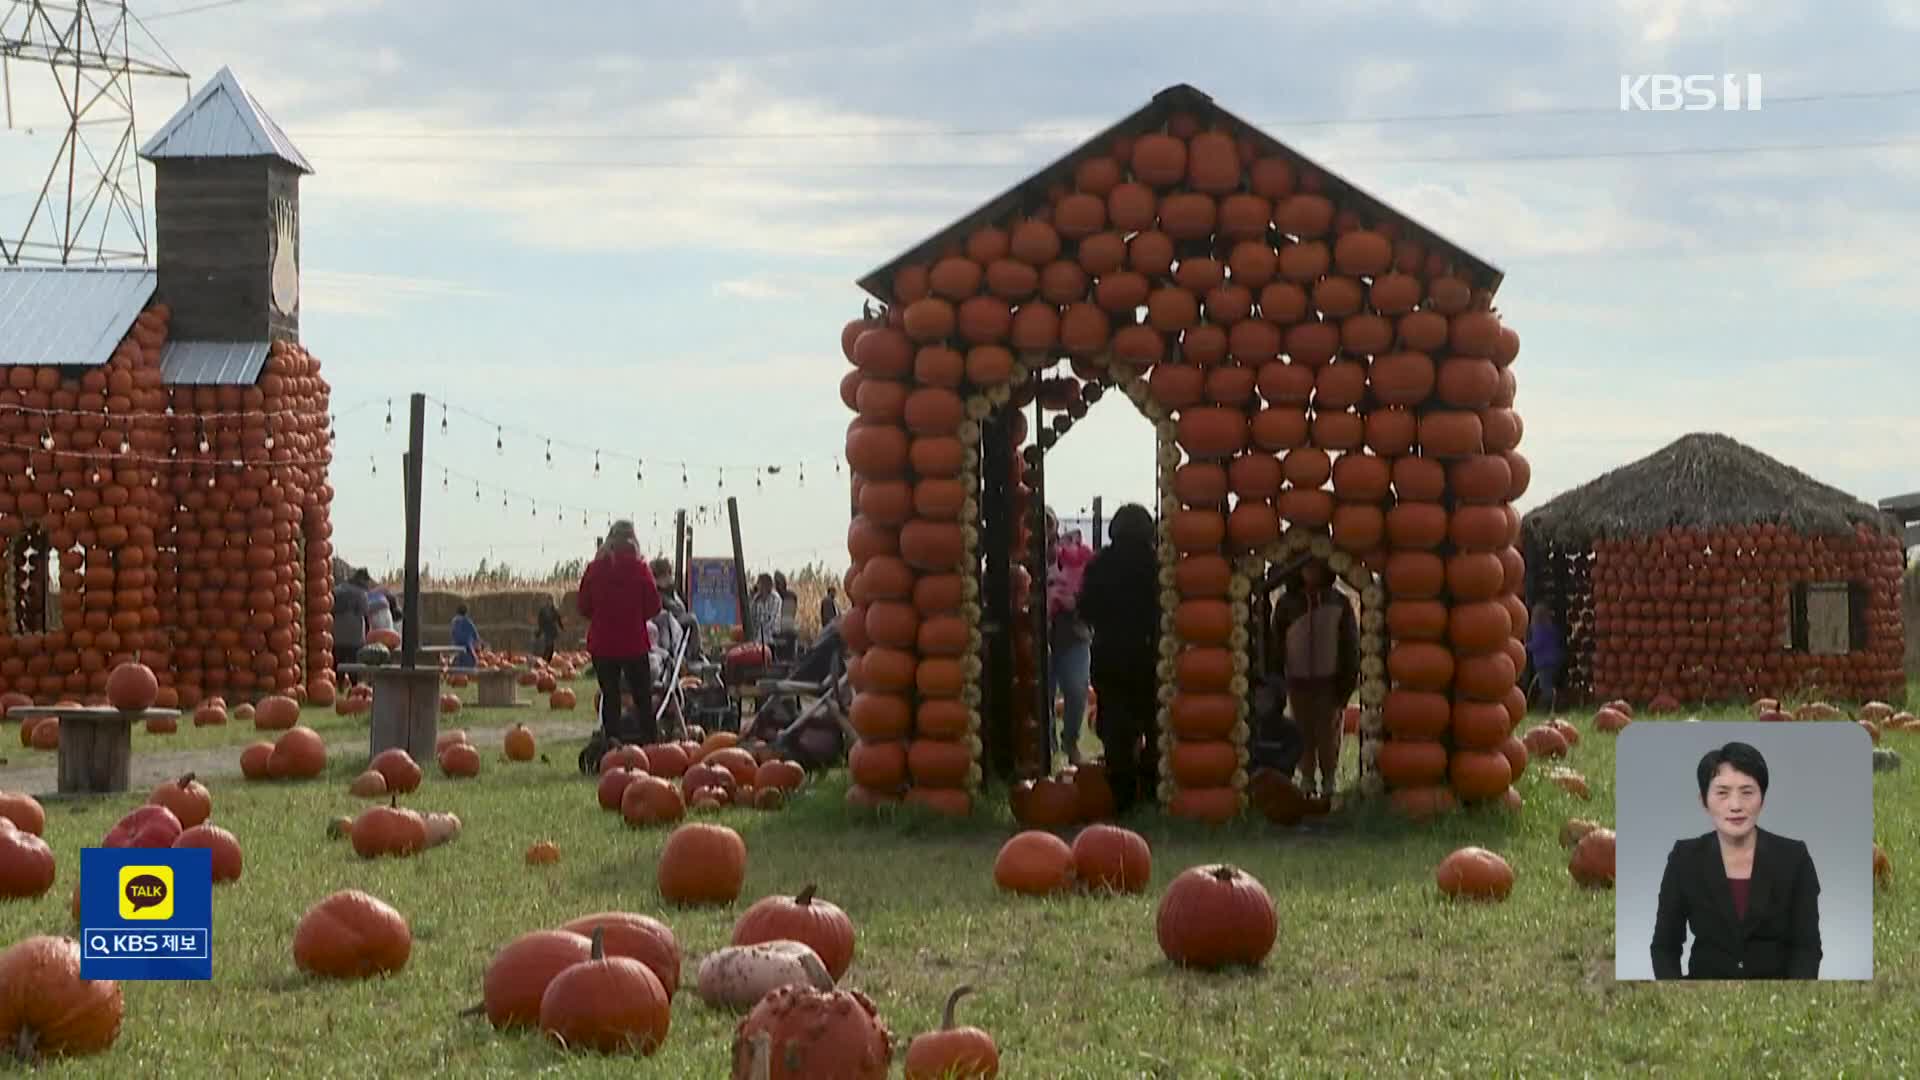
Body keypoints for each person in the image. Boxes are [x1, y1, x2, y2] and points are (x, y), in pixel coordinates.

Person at [1651, 741, 1822, 979]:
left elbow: (1806, 948)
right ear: (1704, 801)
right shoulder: (1684, 858)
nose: (1735, 806)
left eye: (1747, 792)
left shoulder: (1794, 858)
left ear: (1762, 798)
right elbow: (1664, 947)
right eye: (1722, 793)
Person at [1074, 504, 1160, 817]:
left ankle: (1121, 796)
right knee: (1155, 723)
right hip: (1149, 653)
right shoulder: (1156, 565)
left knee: (1115, 728)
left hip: (1109, 653)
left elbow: (1085, 608)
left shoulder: (1101, 565)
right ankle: (1152, 788)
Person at [1270, 557, 1360, 800]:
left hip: (1330, 680)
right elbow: (1276, 645)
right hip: (1297, 680)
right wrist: (1277, 678)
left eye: (1316, 568)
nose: (1311, 572)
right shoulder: (1288, 605)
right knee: (1302, 731)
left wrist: (1347, 681)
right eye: (1306, 568)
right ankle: (1307, 779)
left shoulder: (1338, 602)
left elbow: (1350, 644)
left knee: (1328, 731)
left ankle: (1329, 779)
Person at [577, 520, 664, 757]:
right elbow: (654, 606)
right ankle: (651, 748)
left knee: (610, 696)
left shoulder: (595, 569)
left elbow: (583, 606)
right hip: (633, 641)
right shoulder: (640, 568)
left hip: (602, 643)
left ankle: (612, 746)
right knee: (642, 697)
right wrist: (634, 616)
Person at [1044, 509, 1093, 767]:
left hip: (1074, 634)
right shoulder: (1025, 558)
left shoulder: (1075, 558)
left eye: (1049, 527)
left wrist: (1074, 601)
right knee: (1042, 694)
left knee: (1076, 689)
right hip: (1039, 637)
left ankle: (1070, 740)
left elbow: (1091, 594)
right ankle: (1047, 748)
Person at [331, 569, 371, 684]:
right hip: (354, 636)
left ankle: (339, 687)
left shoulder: (337, 589)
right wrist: (367, 633)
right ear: (363, 580)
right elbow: (365, 614)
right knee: (354, 665)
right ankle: (354, 687)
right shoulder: (361, 593)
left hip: (336, 634)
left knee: (338, 663)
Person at [1526, 600, 1565, 713]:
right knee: (1549, 684)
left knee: (1545, 686)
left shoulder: (1539, 629)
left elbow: (1538, 644)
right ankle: (1555, 704)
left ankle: (1549, 706)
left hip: (1544, 662)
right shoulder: (1552, 628)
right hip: (1554, 660)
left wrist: (1526, 646)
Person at [449, 604, 484, 670]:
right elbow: (475, 633)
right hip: (466, 644)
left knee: (458, 657)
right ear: (466, 612)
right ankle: (468, 672)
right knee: (474, 660)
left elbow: (452, 633)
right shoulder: (467, 621)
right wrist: (479, 642)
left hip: (456, 643)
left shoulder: (454, 621)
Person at [749, 573, 781, 646]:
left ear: (766, 585)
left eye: (759, 584)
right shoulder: (756, 599)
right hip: (758, 636)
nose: (758, 586)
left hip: (771, 634)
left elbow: (773, 620)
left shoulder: (775, 598)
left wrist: (760, 633)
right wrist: (751, 599)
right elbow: (752, 618)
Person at [532, 596, 563, 663]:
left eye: (550, 601)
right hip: (545, 629)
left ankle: (546, 660)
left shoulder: (554, 610)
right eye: (548, 601)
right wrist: (540, 628)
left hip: (552, 630)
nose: (549, 602)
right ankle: (544, 659)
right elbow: (540, 620)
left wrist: (561, 627)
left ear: (552, 602)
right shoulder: (543, 610)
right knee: (547, 645)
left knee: (550, 645)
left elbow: (558, 619)